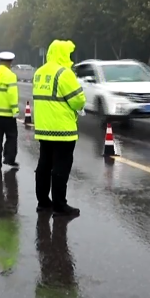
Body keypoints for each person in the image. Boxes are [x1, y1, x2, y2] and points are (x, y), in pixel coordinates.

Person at [31, 40, 86, 216]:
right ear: (63, 54)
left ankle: (43, 202)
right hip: (62, 129)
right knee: (61, 168)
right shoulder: (64, 73)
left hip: (43, 128)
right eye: (68, 54)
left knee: (44, 165)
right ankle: (60, 205)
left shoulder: (39, 72)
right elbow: (78, 100)